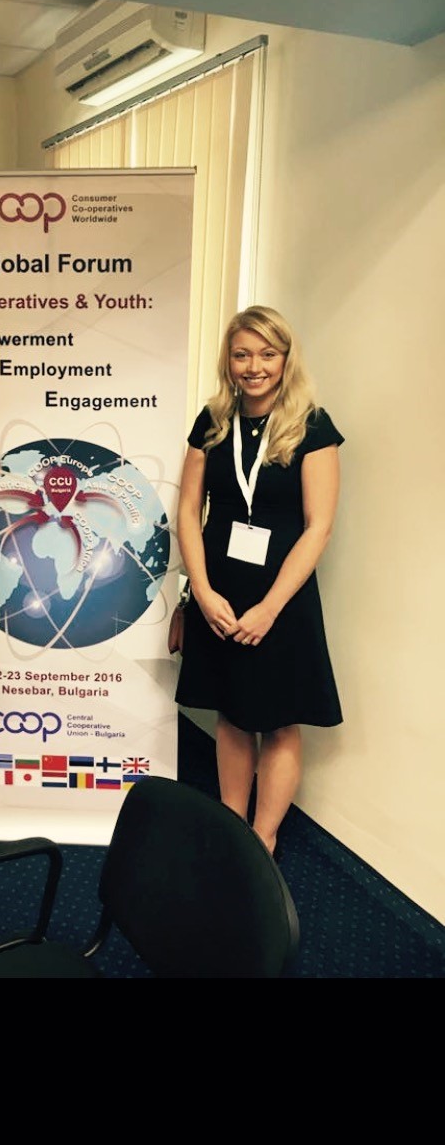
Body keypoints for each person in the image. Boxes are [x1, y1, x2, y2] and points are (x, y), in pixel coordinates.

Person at [175, 304, 343, 858]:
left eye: (267, 354)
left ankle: (262, 839)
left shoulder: (312, 426)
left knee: (278, 720)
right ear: (228, 360)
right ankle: (232, 827)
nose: (254, 367)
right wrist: (202, 591)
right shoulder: (213, 421)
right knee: (230, 712)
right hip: (220, 590)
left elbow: (318, 527)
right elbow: (188, 511)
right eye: (242, 354)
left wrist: (270, 608)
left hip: (282, 597)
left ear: (286, 358)